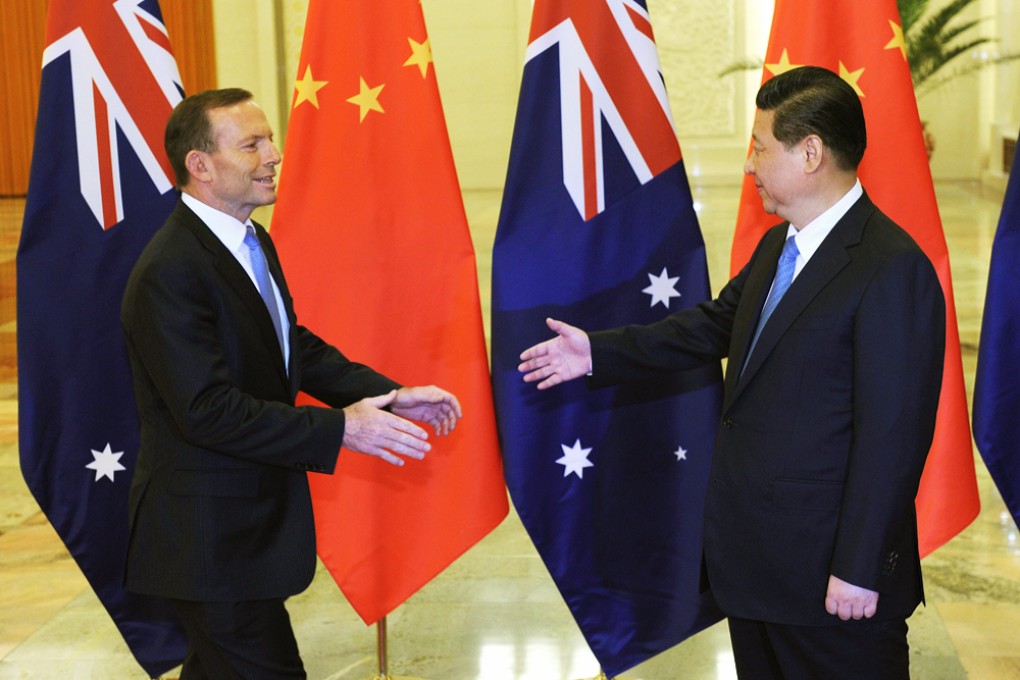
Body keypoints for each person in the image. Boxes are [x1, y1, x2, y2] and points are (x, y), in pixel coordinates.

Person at [518, 66, 945, 679]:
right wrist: (598, 353)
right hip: (757, 575)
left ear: (810, 153)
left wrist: (857, 566)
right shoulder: (780, 246)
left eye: (760, 146)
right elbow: (713, 325)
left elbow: (893, 440)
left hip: (833, 591)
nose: (750, 165)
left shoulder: (890, 268)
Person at [120, 88, 462, 679]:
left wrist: (387, 394)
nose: (274, 154)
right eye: (251, 144)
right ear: (199, 166)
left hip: (242, 540)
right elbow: (208, 410)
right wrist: (342, 429)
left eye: (270, 138)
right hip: (207, 544)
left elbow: (287, 346)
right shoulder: (171, 271)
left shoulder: (249, 240)